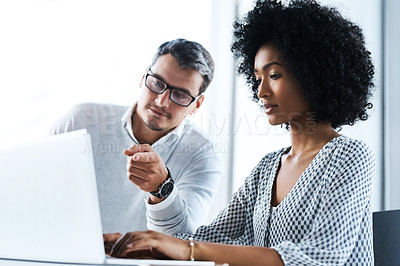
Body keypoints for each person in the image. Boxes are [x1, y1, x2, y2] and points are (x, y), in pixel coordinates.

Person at [103, 0, 376, 265]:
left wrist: (185, 249)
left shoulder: (349, 156)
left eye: (275, 75)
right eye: (258, 78)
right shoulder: (268, 168)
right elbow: (204, 240)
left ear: (314, 73)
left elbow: (320, 258)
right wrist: (147, 242)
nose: (261, 91)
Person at [51, 38, 223, 235]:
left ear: (197, 105)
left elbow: (184, 242)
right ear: (143, 78)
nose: (162, 101)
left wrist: (162, 189)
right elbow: (32, 187)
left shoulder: (203, 155)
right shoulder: (80, 121)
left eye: (181, 95)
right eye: (157, 83)